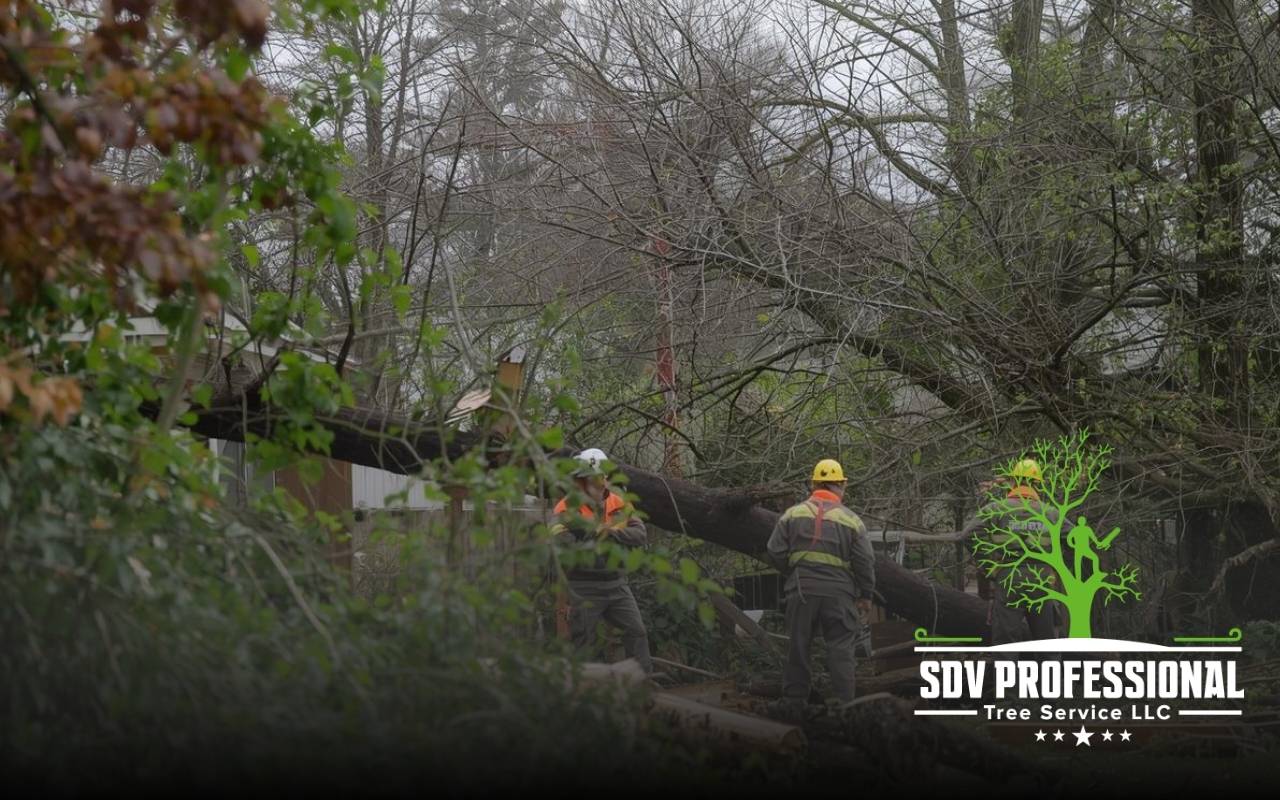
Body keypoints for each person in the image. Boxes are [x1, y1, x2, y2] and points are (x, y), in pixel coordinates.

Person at [766, 459, 875, 711]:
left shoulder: (792, 514)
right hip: (839, 595)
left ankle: (794, 704)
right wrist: (866, 594)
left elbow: (774, 551)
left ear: (813, 484)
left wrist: (794, 573)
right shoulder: (852, 521)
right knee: (841, 650)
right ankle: (845, 707)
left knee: (798, 646)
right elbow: (865, 561)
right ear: (841, 486)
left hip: (801, 592)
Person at [549, 448, 653, 673]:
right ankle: (581, 693)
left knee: (637, 632)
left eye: (601, 476)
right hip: (583, 587)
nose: (599, 481)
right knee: (582, 643)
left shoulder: (618, 502)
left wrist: (607, 531)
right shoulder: (565, 508)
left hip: (617, 583)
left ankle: (643, 686)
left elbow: (639, 534)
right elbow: (564, 548)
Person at [973, 458, 1059, 644]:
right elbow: (1075, 539)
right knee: (1046, 643)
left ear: (1013, 481)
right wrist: (1056, 568)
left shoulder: (996, 509)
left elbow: (969, 534)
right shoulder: (1051, 513)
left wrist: (989, 566)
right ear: (1037, 484)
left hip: (1009, 575)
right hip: (1041, 579)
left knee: (1006, 643)